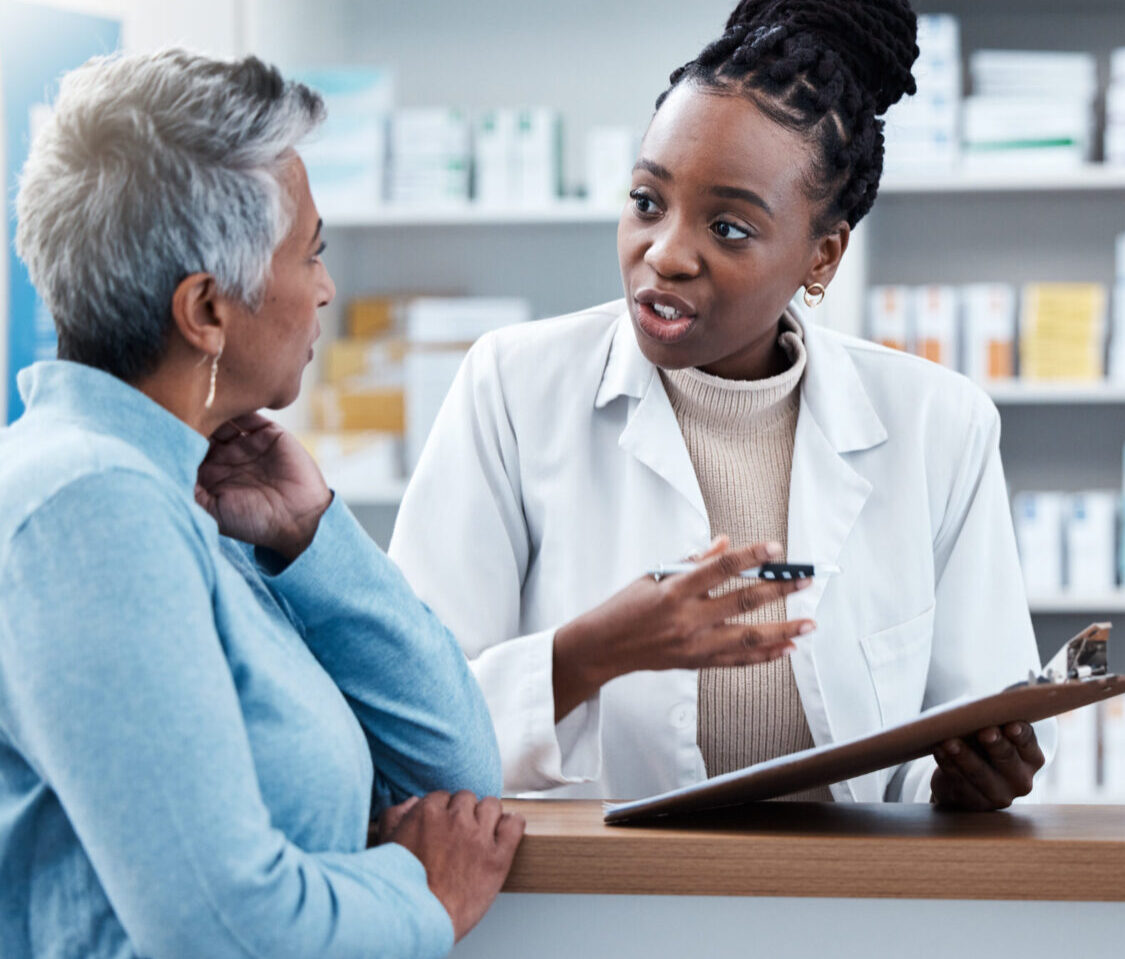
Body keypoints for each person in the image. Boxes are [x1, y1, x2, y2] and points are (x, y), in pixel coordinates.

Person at [391, 0, 1054, 808]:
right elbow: (409, 722)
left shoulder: (936, 424)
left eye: (730, 228)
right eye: (646, 201)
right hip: (596, 911)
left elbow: (963, 722)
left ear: (822, 254)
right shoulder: (514, 387)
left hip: (846, 915)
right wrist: (591, 653)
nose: (664, 254)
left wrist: (964, 779)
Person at [0, 50, 521, 959]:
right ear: (205, 310)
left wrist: (312, 535)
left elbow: (455, 776)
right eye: (311, 251)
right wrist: (419, 894)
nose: (325, 285)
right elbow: (222, 924)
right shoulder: (89, 505)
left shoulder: (191, 494)